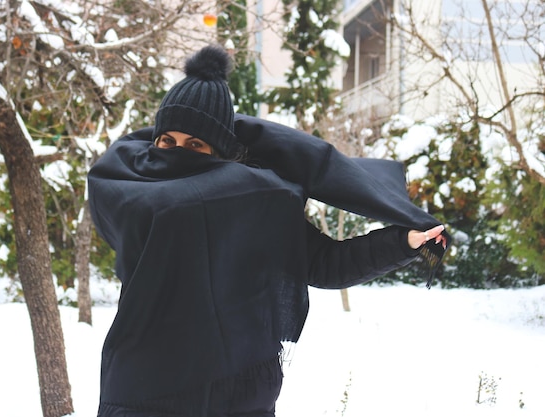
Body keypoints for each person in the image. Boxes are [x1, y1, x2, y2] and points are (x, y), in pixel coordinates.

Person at [88, 44, 451, 417]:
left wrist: (403, 242)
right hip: (147, 390)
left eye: (195, 144)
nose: (176, 152)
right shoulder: (132, 191)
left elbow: (325, 264)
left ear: (220, 150)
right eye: (168, 142)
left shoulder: (256, 202)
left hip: (237, 392)